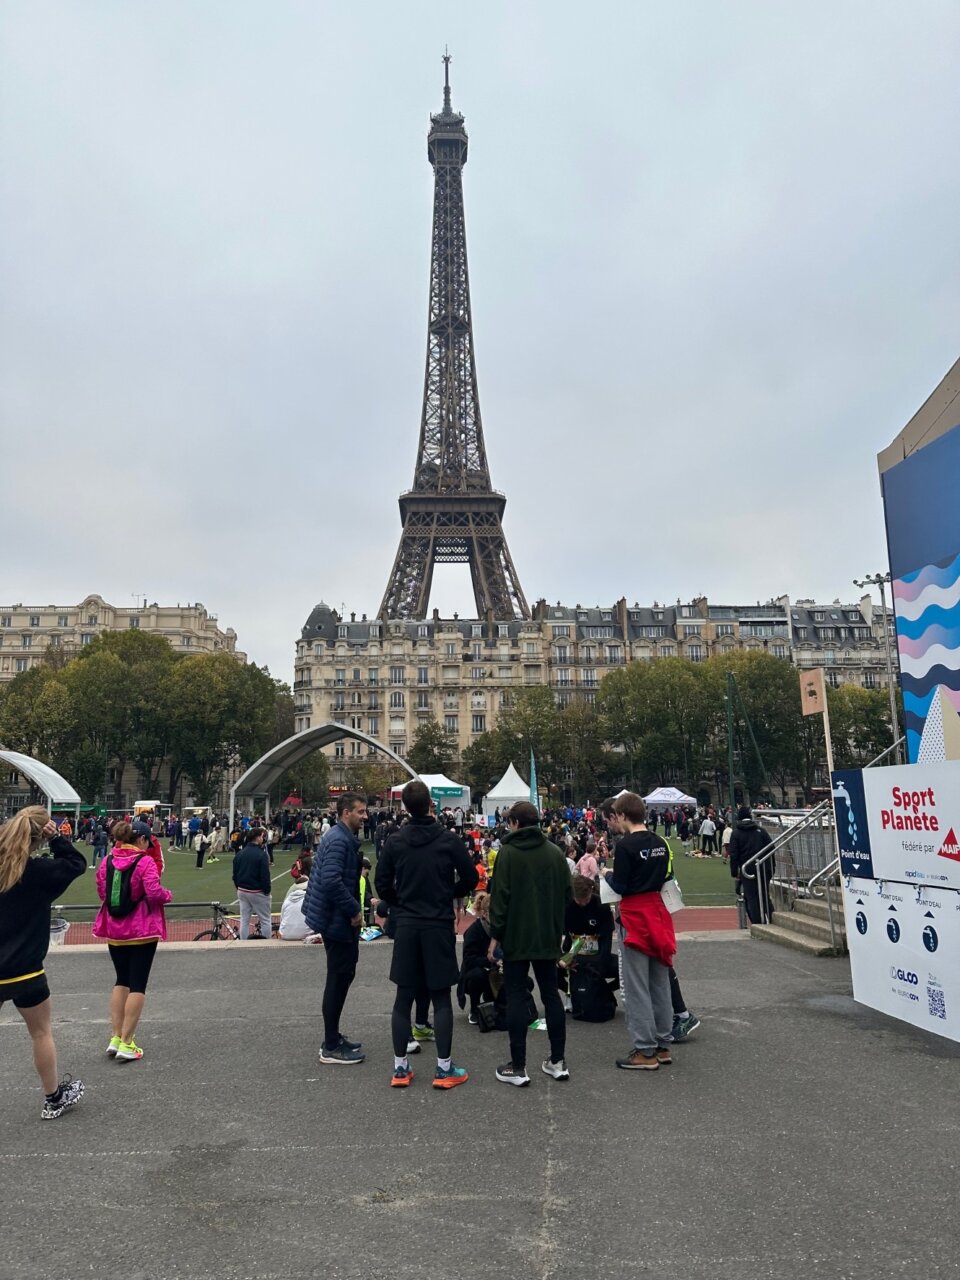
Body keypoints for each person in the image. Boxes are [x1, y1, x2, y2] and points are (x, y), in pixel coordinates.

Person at [375, 780, 477, 1089]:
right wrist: (448, 893)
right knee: (440, 997)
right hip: (436, 922)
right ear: (431, 804)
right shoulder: (448, 840)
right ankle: (444, 1069)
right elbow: (471, 878)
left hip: (407, 923)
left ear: (404, 806)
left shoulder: (395, 841)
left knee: (403, 996)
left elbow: (382, 883)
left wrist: (399, 901)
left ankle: (400, 1067)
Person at [0, 807, 87, 1119]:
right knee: (40, 1032)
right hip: (25, 969)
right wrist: (58, 840)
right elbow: (76, 864)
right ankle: (53, 1098)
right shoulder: (38, 873)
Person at [487, 801, 571, 1087]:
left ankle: (519, 1065)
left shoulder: (507, 854)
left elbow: (499, 899)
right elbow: (567, 895)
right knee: (550, 995)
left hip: (516, 936)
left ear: (514, 823)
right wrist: (558, 928)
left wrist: (495, 935)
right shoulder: (555, 853)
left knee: (515, 996)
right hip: (547, 935)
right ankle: (557, 1061)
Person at [603, 793, 675, 1071]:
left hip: (635, 913)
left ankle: (645, 1050)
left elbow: (620, 885)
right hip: (658, 910)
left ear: (621, 815)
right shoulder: (660, 842)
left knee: (636, 985)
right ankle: (663, 1043)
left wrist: (606, 875)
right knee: (660, 979)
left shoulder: (625, 846)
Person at [93, 818, 172, 1063]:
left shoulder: (107, 861)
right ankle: (128, 1042)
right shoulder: (145, 861)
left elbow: (102, 891)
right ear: (142, 840)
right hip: (142, 929)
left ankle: (116, 1037)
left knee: (121, 980)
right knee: (138, 984)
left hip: (114, 930)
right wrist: (168, 895)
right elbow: (153, 891)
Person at [303, 793, 368, 1065]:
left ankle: (333, 1037)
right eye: (360, 811)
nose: (365, 816)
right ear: (345, 813)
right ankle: (330, 1045)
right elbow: (331, 881)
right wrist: (354, 909)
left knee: (341, 975)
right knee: (338, 978)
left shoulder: (338, 838)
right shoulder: (340, 841)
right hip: (337, 920)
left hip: (333, 918)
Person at [457, 890, 497, 1022]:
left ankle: (494, 1000)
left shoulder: (502, 929)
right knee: (478, 976)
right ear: (485, 914)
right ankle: (474, 1007)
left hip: (496, 970)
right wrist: (488, 960)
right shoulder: (474, 931)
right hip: (477, 971)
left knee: (527, 983)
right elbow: (469, 960)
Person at [728, 806, 773, 923]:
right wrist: (771, 868)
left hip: (747, 869)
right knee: (764, 895)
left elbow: (734, 854)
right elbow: (771, 848)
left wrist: (734, 872)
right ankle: (772, 919)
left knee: (751, 897)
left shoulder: (736, 833)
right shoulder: (761, 831)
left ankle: (757, 922)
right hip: (763, 868)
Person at [232, 827, 272, 940]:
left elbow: (235, 875)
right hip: (257, 891)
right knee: (265, 920)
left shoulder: (239, 854)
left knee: (244, 920)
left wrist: (238, 887)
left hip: (242, 890)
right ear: (258, 837)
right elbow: (265, 876)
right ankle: (266, 943)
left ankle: (243, 943)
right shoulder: (261, 854)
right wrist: (267, 891)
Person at [279, 853, 312, 940]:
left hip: (285, 934)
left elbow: (282, 916)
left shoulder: (290, 893)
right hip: (307, 934)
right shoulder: (312, 891)